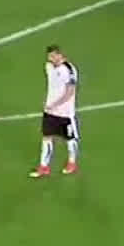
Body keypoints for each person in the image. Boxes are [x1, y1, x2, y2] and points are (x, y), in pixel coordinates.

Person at [33, 46, 80, 178]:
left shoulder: (69, 70)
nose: (51, 59)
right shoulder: (48, 67)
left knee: (70, 139)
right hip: (50, 112)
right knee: (46, 138)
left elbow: (70, 92)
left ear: (60, 55)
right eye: (49, 56)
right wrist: (49, 104)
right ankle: (44, 166)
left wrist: (55, 104)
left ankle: (72, 163)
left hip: (65, 113)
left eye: (53, 56)